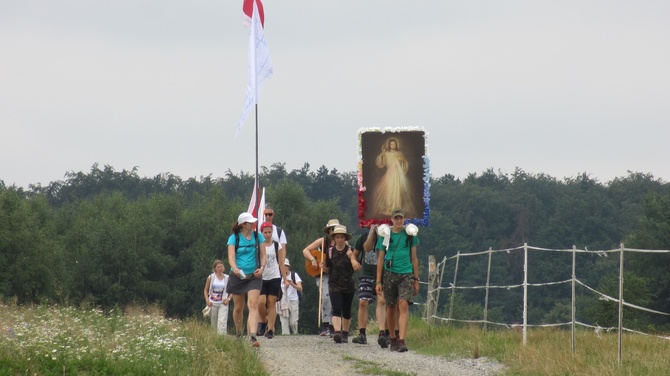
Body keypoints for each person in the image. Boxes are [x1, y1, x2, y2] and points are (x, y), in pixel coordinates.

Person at [375, 209, 419, 352]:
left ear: (404, 219)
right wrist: (378, 281)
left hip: (406, 273)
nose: (399, 221)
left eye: (401, 218)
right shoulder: (385, 235)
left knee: (404, 304)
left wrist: (416, 279)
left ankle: (402, 339)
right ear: (392, 220)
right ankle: (392, 337)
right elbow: (380, 259)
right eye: (396, 218)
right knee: (391, 306)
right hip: (389, 273)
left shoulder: (410, 235)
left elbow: (414, 258)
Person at [226, 212, 267, 347]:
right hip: (238, 276)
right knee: (238, 307)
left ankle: (253, 335)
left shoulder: (258, 236)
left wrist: (261, 268)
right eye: (250, 222)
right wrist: (235, 268)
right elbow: (231, 257)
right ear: (243, 224)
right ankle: (239, 333)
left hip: (254, 276)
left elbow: (263, 255)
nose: (253, 224)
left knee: (253, 304)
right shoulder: (234, 238)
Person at [351, 224, 390, 347]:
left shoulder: (388, 237)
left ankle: (383, 333)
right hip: (367, 274)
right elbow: (363, 250)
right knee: (363, 301)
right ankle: (362, 333)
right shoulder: (363, 237)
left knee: (382, 301)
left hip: (384, 273)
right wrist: (353, 261)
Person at [321, 225, 361, 343]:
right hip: (334, 284)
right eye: (337, 237)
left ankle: (345, 332)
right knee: (336, 309)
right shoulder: (330, 252)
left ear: (345, 238)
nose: (339, 239)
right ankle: (337, 332)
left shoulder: (351, 251)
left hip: (348, 285)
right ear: (334, 238)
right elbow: (329, 268)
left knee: (347, 310)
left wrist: (351, 258)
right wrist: (324, 268)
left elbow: (357, 267)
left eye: (341, 237)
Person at [302, 218, 339, 336]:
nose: (333, 232)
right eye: (331, 229)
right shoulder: (323, 241)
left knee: (335, 299)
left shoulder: (342, 242)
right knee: (326, 297)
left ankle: (335, 326)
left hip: (336, 275)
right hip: (322, 275)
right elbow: (305, 250)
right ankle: (326, 325)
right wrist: (313, 259)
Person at [257, 204, 289, 336]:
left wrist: (285, 278)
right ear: (262, 233)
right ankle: (263, 322)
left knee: (272, 302)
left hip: (275, 275)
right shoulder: (258, 245)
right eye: (265, 232)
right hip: (261, 276)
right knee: (261, 302)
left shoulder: (277, 244)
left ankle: (270, 329)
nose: (268, 234)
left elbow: (281, 262)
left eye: (269, 232)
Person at [372, 138, 416, 218]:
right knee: (390, 190)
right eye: (391, 144)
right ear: (389, 145)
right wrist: (382, 153)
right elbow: (382, 164)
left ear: (396, 145)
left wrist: (401, 160)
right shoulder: (386, 153)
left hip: (397, 174)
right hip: (390, 173)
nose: (393, 146)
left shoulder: (399, 153)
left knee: (397, 191)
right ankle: (389, 208)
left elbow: (405, 163)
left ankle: (397, 208)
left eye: (394, 144)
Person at [203, 259, 231, 335]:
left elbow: (232, 290)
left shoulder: (227, 278)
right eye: (218, 267)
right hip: (213, 303)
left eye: (222, 266)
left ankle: (222, 339)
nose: (220, 268)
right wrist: (207, 300)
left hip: (223, 303)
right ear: (215, 268)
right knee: (214, 323)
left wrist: (228, 299)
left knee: (222, 322)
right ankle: (214, 339)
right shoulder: (211, 277)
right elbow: (205, 290)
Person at [277, 258, 302, 335]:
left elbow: (300, 288)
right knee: (284, 321)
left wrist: (292, 284)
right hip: (282, 301)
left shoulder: (294, 275)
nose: (284, 268)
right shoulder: (278, 277)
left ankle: (295, 333)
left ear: (288, 267)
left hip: (293, 300)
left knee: (293, 322)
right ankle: (285, 335)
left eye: (285, 266)